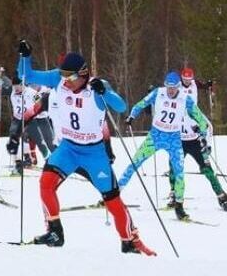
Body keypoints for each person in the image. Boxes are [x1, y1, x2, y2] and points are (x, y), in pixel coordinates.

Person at [18, 41, 154, 255]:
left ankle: (129, 241)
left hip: (94, 153)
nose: (66, 81)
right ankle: (55, 231)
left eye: (70, 77)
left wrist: (105, 93)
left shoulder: (96, 87)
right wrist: (25, 56)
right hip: (69, 149)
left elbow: (120, 106)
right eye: (63, 76)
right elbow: (27, 75)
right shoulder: (58, 79)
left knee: (113, 201)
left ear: (83, 74)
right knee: (45, 183)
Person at [119, 72, 211, 221]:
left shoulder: (185, 99)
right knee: (135, 162)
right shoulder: (158, 92)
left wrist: (202, 129)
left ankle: (179, 206)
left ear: (178, 87)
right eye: (168, 87)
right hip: (155, 136)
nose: (170, 90)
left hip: (174, 139)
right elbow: (141, 104)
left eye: (173, 88)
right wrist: (131, 116)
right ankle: (115, 193)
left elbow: (199, 116)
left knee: (179, 171)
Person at [169, 68, 227, 211]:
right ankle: (173, 195)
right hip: (180, 141)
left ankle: (221, 196)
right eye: (185, 79)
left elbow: (199, 84)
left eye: (189, 80)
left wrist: (207, 85)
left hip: (194, 141)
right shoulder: (176, 91)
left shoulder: (194, 85)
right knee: (173, 167)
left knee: (207, 168)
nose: (187, 82)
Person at [8, 78, 57, 174]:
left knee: (46, 141)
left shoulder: (32, 93)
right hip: (20, 119)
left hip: (39, 118)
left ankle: (55, 163)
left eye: (18, 87)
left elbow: (42, 104)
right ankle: (19, 164)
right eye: (14, 87)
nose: (16, 89)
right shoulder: (13, 94)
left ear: (23, 85)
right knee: (15, 140)